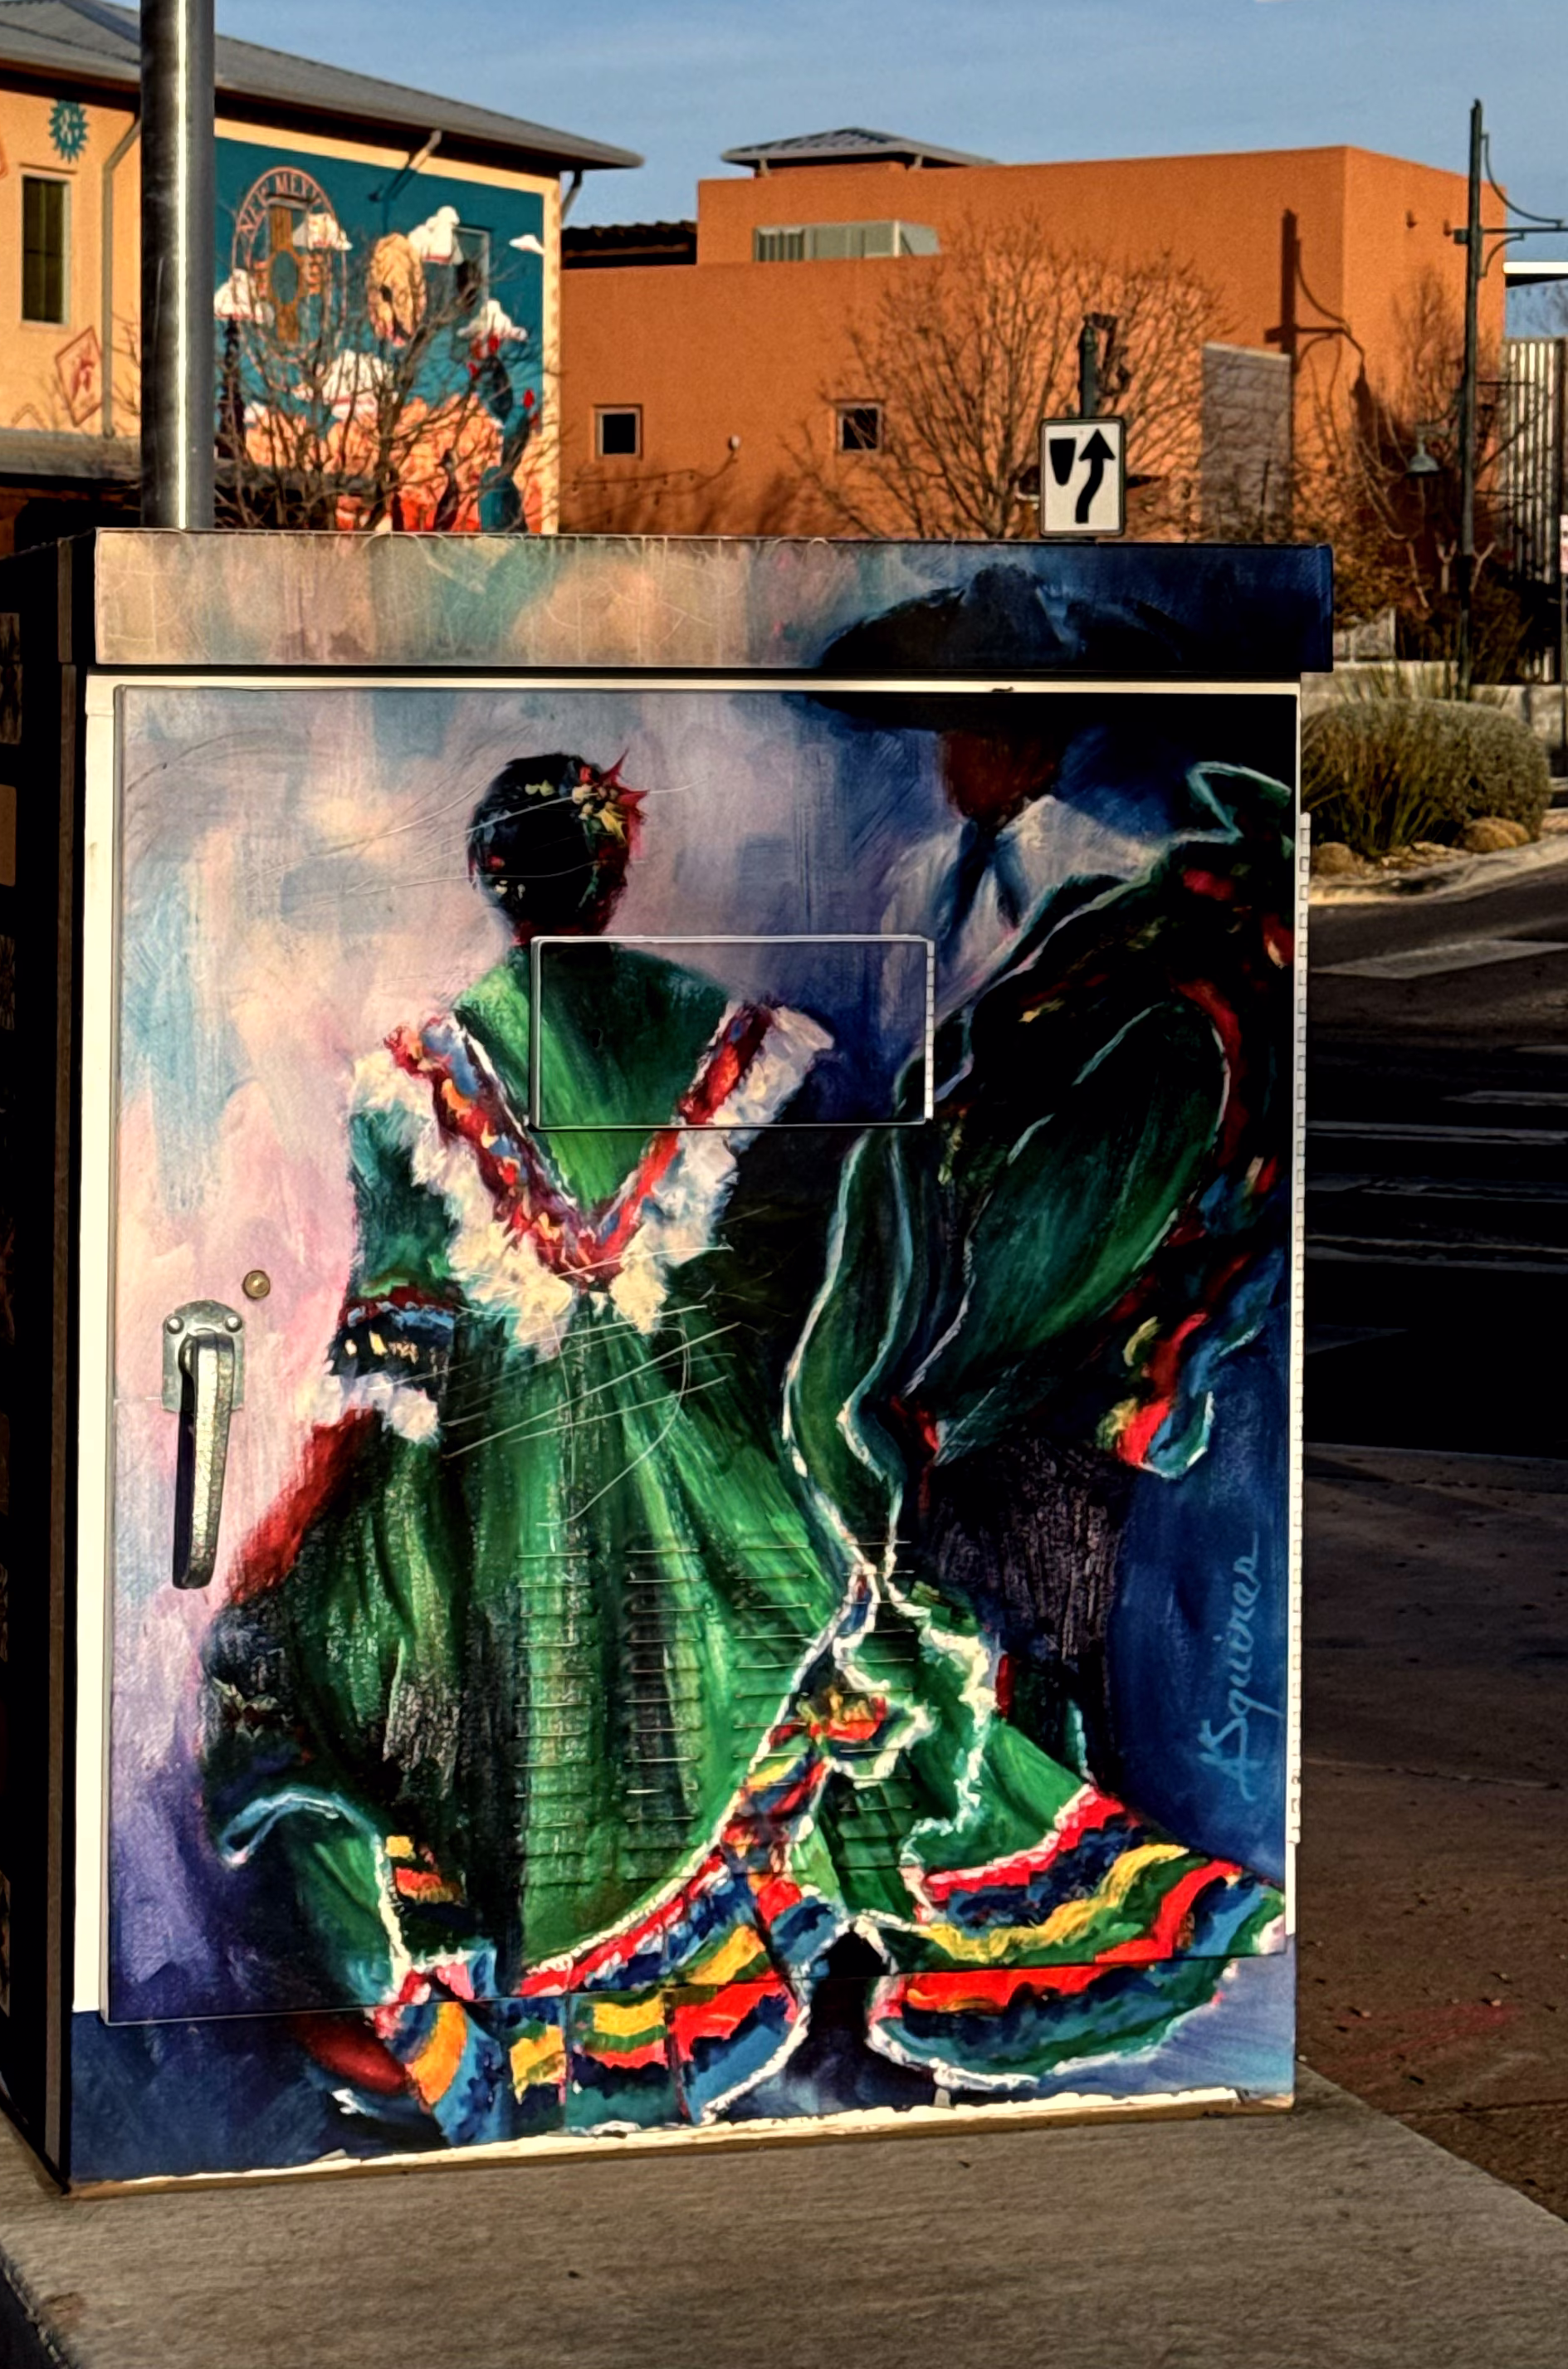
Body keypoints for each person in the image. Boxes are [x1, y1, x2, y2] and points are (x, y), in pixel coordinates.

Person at [201, 744, 1289, 2147]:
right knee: (774, 1661)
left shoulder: (417, 1078)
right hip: (716, 1439)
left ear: (493, 880)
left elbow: (401, 1338)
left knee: (409, 1668)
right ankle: (770, 1973)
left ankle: (528, 1998)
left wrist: (353, 1489)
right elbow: (800, 1274)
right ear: (613, 875)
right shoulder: (736, 1046)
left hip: (504, 1475)